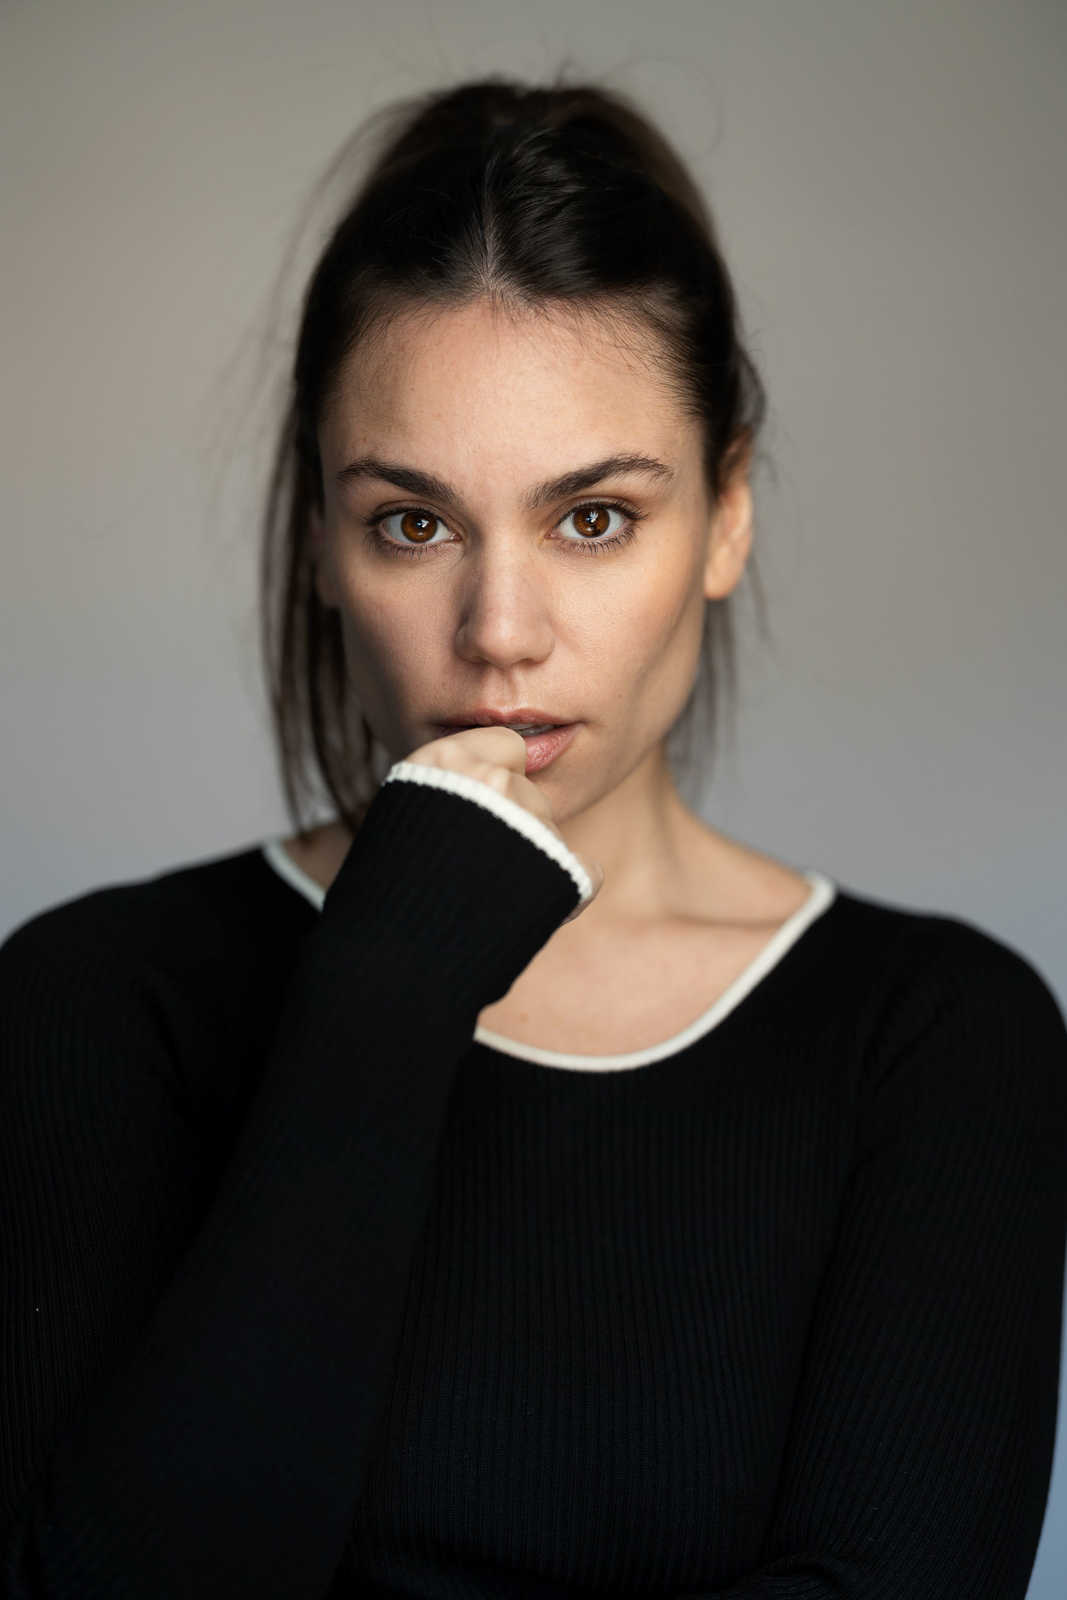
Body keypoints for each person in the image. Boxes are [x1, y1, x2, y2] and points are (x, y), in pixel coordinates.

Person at [1, 71, 1065, 1600]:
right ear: (320, 540)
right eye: (413, 522)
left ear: (728, 513)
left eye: (593, 517)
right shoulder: (99, 1001)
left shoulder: (937, 1040)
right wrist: (387, 991)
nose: (500, 632)